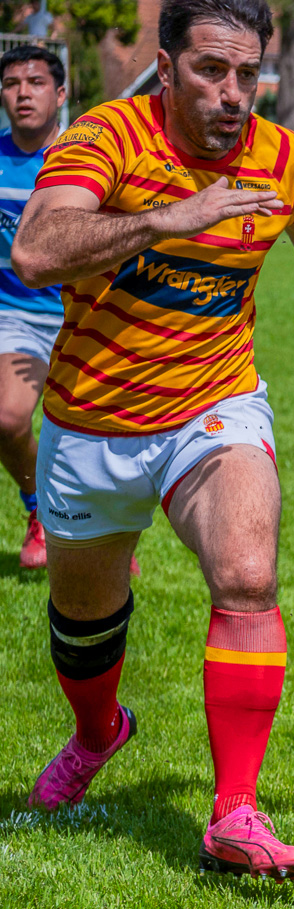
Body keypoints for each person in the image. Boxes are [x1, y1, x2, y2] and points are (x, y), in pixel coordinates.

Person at [15, 0, 294, 880]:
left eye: (247, 73)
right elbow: (36, 249)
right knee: (84, 628)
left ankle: (236, 812)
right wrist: (164, 219)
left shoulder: (285, 155)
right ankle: (99, 733)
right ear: (167, 68)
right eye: (211, 70)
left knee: (248, 574)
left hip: (213, 406)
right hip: (91, 421)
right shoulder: (105, 138)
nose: (232, 92)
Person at [0, 45, 66, 571]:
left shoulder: (85, 159)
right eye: (11, 83)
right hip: (16, 313)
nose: (23, 93)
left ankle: (104, 539)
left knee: (106, 442)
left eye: (36, 82)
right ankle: (38, 508)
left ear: (60, 94)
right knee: (7, 418)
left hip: (88, 315)